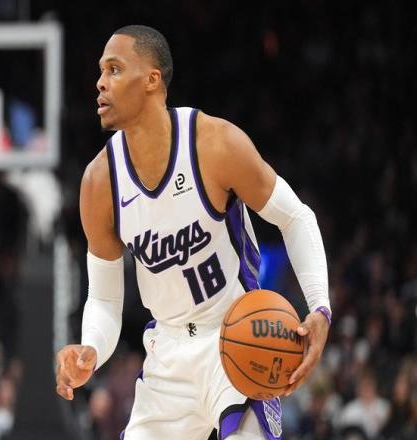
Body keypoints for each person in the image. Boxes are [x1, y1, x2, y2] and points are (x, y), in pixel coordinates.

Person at [56, 25, 331, 440]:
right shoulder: (99, 182)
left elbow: (295, 217)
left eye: (114, 69)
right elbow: (105, 300)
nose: (100, 82)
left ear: (152, 79)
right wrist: (90, 348)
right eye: (100, 71)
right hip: (166, 355)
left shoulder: (214, 144)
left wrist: (320, 307)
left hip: (236, 332)